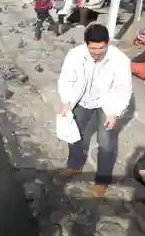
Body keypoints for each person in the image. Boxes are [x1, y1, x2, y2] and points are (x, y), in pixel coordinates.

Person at [56, 24, 133, 197]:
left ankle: (102, 180)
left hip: (108, 102)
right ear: (86, 45)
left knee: (106, 142)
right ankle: (74, 166)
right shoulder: (75, 55)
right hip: (82, 99)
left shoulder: (120, 60)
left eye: (101, 48)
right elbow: (66, 79)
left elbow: (123, 88)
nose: (97, 52)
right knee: (74, 132)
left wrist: (115, 112)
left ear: (108, 43)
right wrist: (66, 101)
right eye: (93, 48)